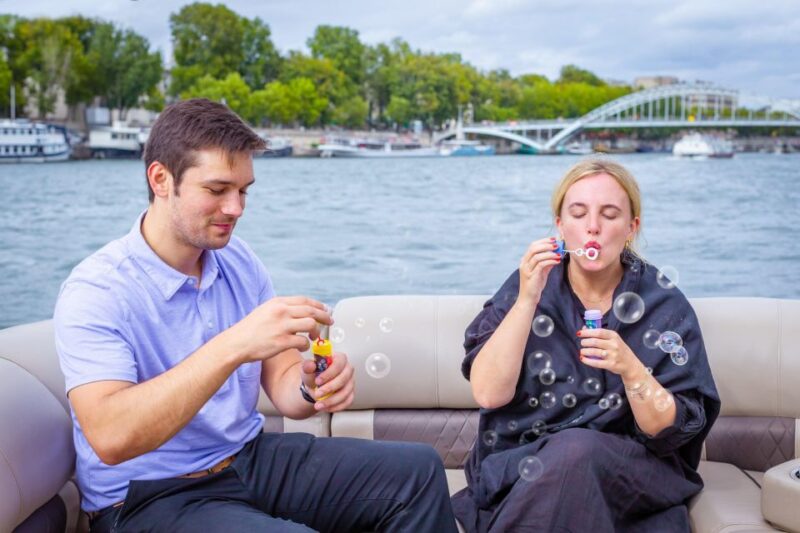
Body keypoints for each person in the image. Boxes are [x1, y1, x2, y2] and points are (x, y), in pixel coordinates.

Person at [54, 98, 457, 533]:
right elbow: (111, 439)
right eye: (217, 190)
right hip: (143, 496)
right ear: (161, 179)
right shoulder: (97, 290)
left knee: (416, 471)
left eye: (243, 190)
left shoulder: (238, 260)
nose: (236, 208)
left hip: (245, 460)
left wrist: (309, 387)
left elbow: (284, 387)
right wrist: (233, 345)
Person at [450, 158, 720, 532]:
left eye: (610, 214)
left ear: (631, 227)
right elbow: (488, 393)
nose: (592, 227)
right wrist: (528, 299)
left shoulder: (662, 303)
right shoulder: (528, 285)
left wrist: (631, 369)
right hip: (524, 463)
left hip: (628, 473)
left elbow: (668, 431)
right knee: (569, 458)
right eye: (578, 213)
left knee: (577, 451)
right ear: (560, 225)